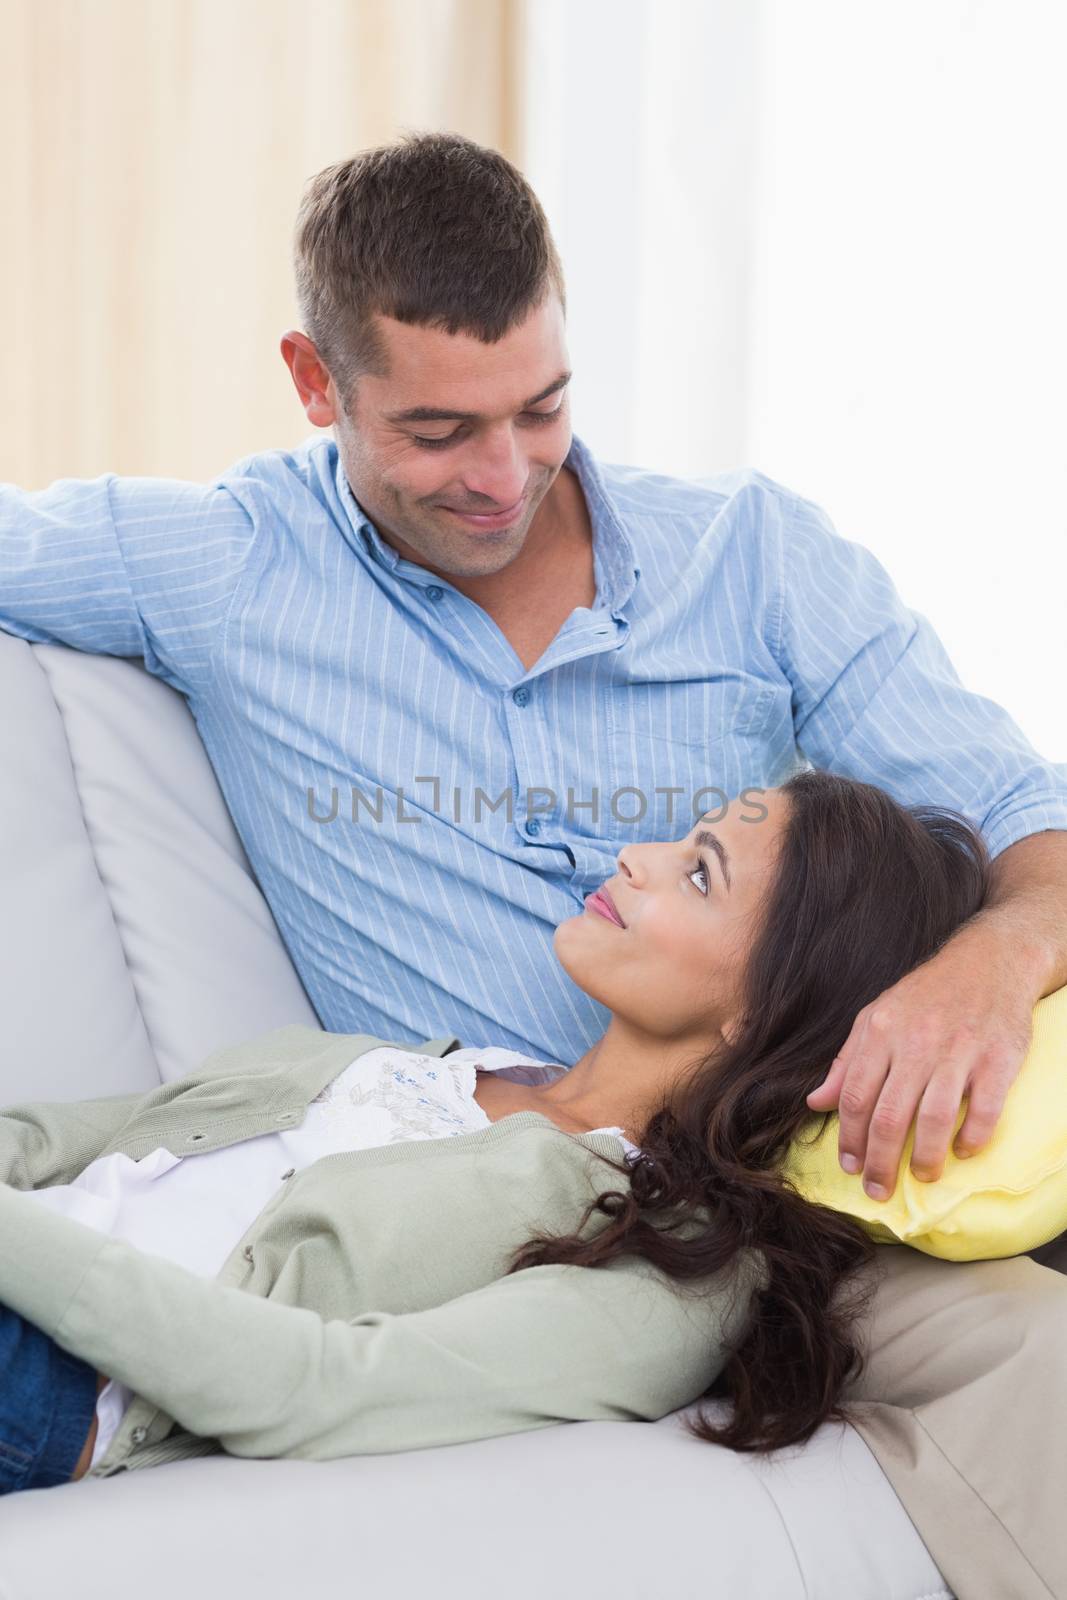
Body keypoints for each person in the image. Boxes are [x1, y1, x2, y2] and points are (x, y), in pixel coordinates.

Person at [2, 130, 1066, 1595]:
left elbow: (1021, 811)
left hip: (802, 1172)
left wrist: (992, 959)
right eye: (436, 433)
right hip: (510, 1203)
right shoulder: (220, 564)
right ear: (318, 387)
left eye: (542, 409)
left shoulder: (751, 560)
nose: (503, 477)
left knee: (1039, 1347)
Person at [0, 773, 988, 1496]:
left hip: (57, 1381)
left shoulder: (677, 1263)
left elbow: (315, 1385)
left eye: (696, 875)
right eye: (682, 838)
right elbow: (73, 1133)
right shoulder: (442, 1061)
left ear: (770, 1004)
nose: (635, 857)